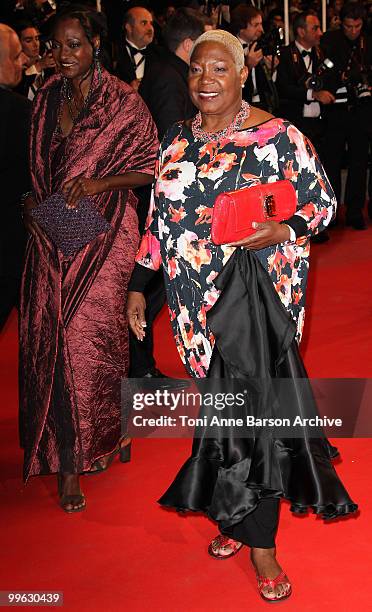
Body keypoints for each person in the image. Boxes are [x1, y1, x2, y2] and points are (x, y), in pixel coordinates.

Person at [127, 29, 357, 603]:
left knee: (256, 426)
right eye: (198, 70)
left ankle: (262, 546)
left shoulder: (277, 137)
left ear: (240, 74)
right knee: (222, 416)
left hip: (256, 308)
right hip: (190, 308)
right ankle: (232, 511)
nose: (206, 79)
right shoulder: (176, 140)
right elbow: (158, 221)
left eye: (219, 70)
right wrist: (138, 285)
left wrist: (285, 228)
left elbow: (324, 202)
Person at [19, 4, 158, 512]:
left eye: (75, 44)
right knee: (46, 334)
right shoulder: (46, 97)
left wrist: (101, 182)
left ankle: (73, 465)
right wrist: (30, 201)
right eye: (56, 45)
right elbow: (35, 166)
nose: (64, 54)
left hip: (104, 234)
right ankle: (72, 440)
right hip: (52, 231)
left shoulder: (121, 100)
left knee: (84, 338)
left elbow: (150, 166)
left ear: (95, 44)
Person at [129, 7, 204, 382]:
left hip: (169, 194)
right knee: (150, 284)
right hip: (164, 197)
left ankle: (140, 364)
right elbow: (169, 142)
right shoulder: (167, 78)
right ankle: (138, 366)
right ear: (188, 44)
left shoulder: (169, 72)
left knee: (155, 285)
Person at [321, 2, 372, 230]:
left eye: (357, 26)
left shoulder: (368, 40)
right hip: (336, 109)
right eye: (349, 26)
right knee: (331, 162)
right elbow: (326, 71)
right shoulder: (330, 40)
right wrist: (343, 76)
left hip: (362, 110)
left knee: (359, 162)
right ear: (341, 23)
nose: (353, 31)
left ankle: (355, 211)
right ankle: (330, 215)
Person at [0, 23, 30, 330]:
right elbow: (41, 180)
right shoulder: (19, 111)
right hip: (10, 247)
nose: (24, 60)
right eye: (16, 54)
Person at [230, 4, 279, 114]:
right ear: (241, 27)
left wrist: (272, 69)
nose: (261, 30)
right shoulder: (229, 49)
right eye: (256, 25)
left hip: (261, 104)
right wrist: (248, 65)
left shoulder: (260, 46)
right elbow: (229, 85)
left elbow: (269, 85)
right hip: (239, 107)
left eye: (261, 24)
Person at [14, 19, 55, 99]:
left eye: (37, 39)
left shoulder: (48, 63)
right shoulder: (15, 70)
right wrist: (40, 65)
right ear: (18, 43)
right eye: (29, 41)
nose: (36, 44)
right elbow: (21, 87)